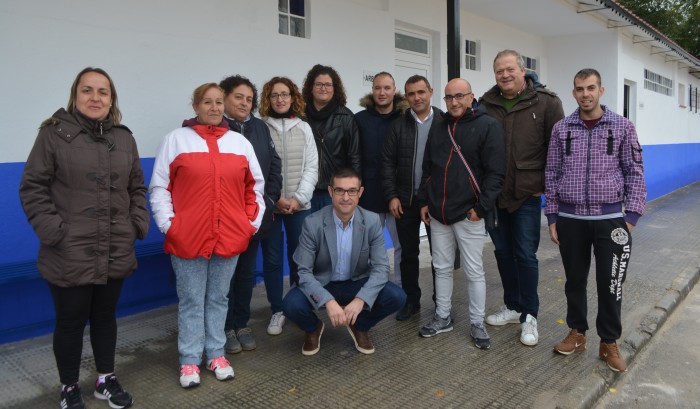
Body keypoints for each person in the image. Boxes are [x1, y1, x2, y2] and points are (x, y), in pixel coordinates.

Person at [19, 67, 148, 409]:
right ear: (75, 96)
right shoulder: (53, 134)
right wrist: (54, 232)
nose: (95, 97)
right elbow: (33, 187)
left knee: (105, 316)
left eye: (102, 91)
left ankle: (105, 379)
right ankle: (69, 386)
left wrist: (136, 223)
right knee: (71, 321)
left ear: (111, 98)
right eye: (87, 90)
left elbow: (137, 187)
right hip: (68, 250)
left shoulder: (124, 138)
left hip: (115, 246)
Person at [149, 83, 265, 388]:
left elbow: (254, 187)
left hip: (229, 238)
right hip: (188, 239)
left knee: (217, 298)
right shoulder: (176, 140)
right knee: (190, 300)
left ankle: (215, 353)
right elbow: (161, 187)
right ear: (195, 106)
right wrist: (169, 225)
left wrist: (248, 224)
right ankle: (189, 361)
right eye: (207, 102)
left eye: (218, 102)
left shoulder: (238, 143)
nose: (213, 108)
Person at [546, 68, 646, 372]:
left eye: (590, 88)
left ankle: (609, 342)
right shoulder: (562, 129)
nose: (585, 94)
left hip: (611, 220)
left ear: (601, 90)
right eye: (579, 89)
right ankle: (577, 333)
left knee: (611, 283)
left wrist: (630, 217)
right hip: (570, 219)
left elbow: (635, 172)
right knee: (574, 281)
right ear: (574, 92)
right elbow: (551, 173)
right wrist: (552, 215)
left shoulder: (623, 126)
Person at [479, 49, 565, 346]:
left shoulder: (546, 102)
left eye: (509, 69)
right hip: (495, 195)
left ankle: (530, 315)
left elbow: (559, 149)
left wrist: (547, 185)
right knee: (502, 253)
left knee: (525, 255)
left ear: (522, 70)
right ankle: (513, 306)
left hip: (528, 194)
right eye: (499, 70)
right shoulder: (485, 103)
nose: (504, 75)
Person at [418, 78, 505, 350]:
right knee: (441, 268)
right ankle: (443, 316)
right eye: (448, 97)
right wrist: (425, 201)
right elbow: (428, 166)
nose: (453, 102)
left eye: (459, 96)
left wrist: (480, 209)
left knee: (473, 271)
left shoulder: (488, 125)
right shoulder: (439, 125)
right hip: (438, 212)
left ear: (471, 97)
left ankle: (477, 322)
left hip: (469, 214)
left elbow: (496, 173)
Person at [282, 168, 406, 355]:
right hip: (323, 282)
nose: (346, 197)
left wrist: (361, 300)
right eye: (340, 190)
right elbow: (304, 272)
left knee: (397, 297)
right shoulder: (312, 223)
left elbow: (381, 268)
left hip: (357, 281)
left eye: (352, 191)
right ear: (331, 192)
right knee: (290, 305)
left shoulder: (371, 222)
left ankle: (360, 325)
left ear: (360, 193)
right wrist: (328, 302)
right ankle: (313, 328)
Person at [219, 75, 282, 354]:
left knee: (246, 274)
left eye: (248, 99)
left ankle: (241, 324)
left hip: (253, 217)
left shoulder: (259, 128)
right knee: (225, 276)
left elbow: (274, 166)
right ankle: (224, 327)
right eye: (238, 97)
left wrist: (268, 199)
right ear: (225, 98)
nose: (244, 103)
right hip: (223, 220)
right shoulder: (215, 128)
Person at [258, 76, 319, 335]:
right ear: (268, 99)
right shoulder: (261, 128)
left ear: (293, 98)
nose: (280, 99)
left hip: (299, 206)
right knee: (272, 260)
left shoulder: (304, 128)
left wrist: (298, 198)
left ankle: (298, 305)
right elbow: (256, 168)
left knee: (300, 258)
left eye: (285, 94)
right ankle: (277, 309)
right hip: (271, 205)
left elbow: (312, 167)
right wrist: (275, 200)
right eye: (274, 95)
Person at [380, 75, 442, 320]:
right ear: (406, 97)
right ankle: (410, 301)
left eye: (421, 92)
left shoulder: (443, 122)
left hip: (435, 202)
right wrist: (392, 195)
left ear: (430, 92)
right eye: (411, 93)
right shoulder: (399, 124)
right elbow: (387, 163)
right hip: (405, 201)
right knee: (407, 254)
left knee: (439, 255)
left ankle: (442, 303)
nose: (417, 97)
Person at [355, 71, 406, 285]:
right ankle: (373, 289)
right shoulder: (359, 120)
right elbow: (354, 155)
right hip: (370, 194)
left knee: (400, 246)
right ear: (372, 90)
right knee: (370, 247)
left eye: (386, 88)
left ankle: (400, 290)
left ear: (394, 90)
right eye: (377, 88)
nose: (382, 92)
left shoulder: (406, 118)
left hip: (399, 194)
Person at [302, 64, 361, 210]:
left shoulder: (346, 117)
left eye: (328, 84)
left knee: (332, 232)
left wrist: (354, 189)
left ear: (335, 88)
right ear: (311, 87)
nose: (323, 88)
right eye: (319, 84)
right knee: (307, 232)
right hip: (304, 189)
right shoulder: (300, 116)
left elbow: (354, 156)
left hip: (335, 191)